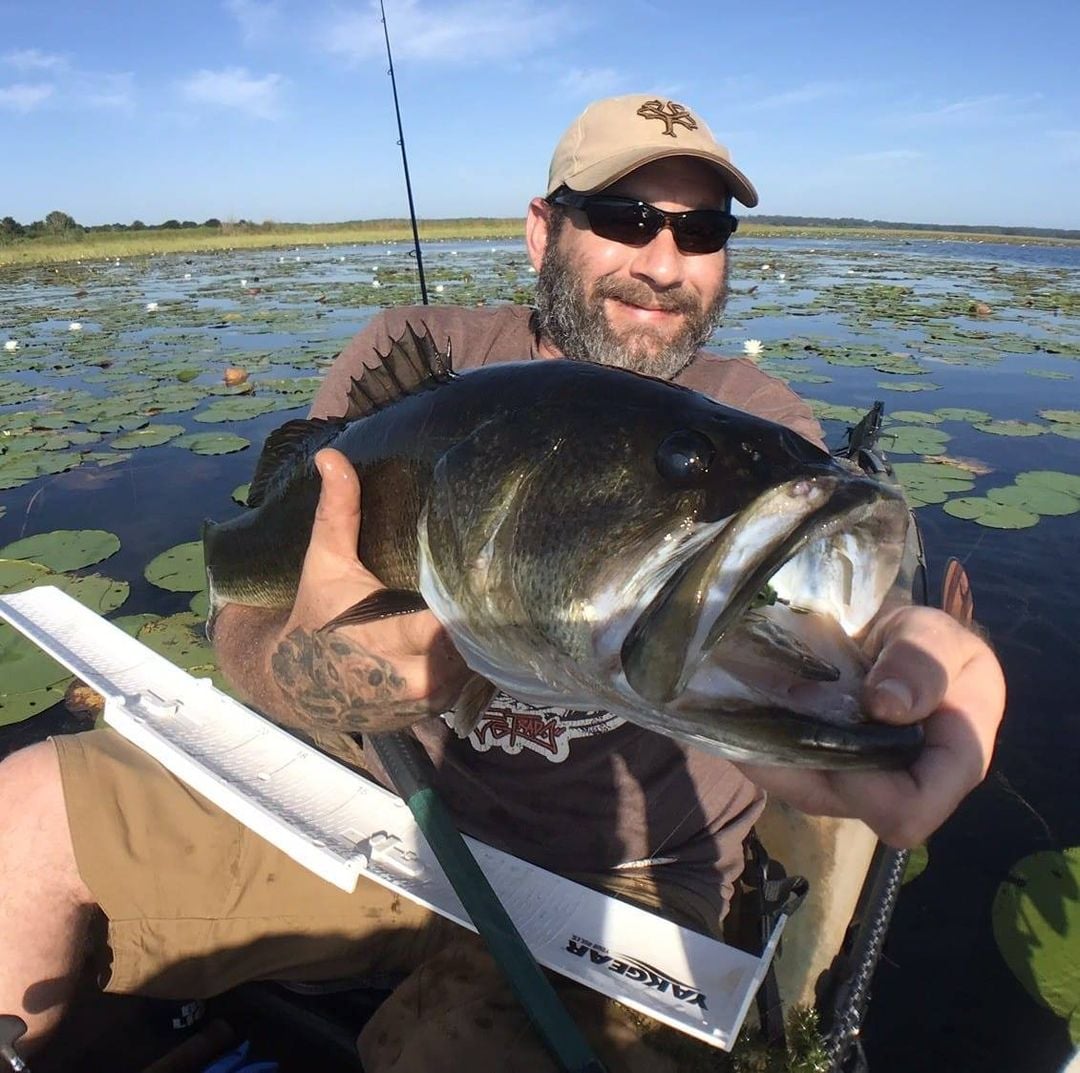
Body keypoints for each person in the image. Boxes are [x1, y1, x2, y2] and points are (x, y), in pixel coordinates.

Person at [0, 94, 1005, 1071]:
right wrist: (305, 669)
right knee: (23, 812)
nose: (663, 262)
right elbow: (250, 622)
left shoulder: (759, 424)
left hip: (631, 882)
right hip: (376, 797)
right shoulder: (400, 369)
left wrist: (897, 660)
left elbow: (818, 600)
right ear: (542, 229)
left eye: (702, 229)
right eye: (624, 217)